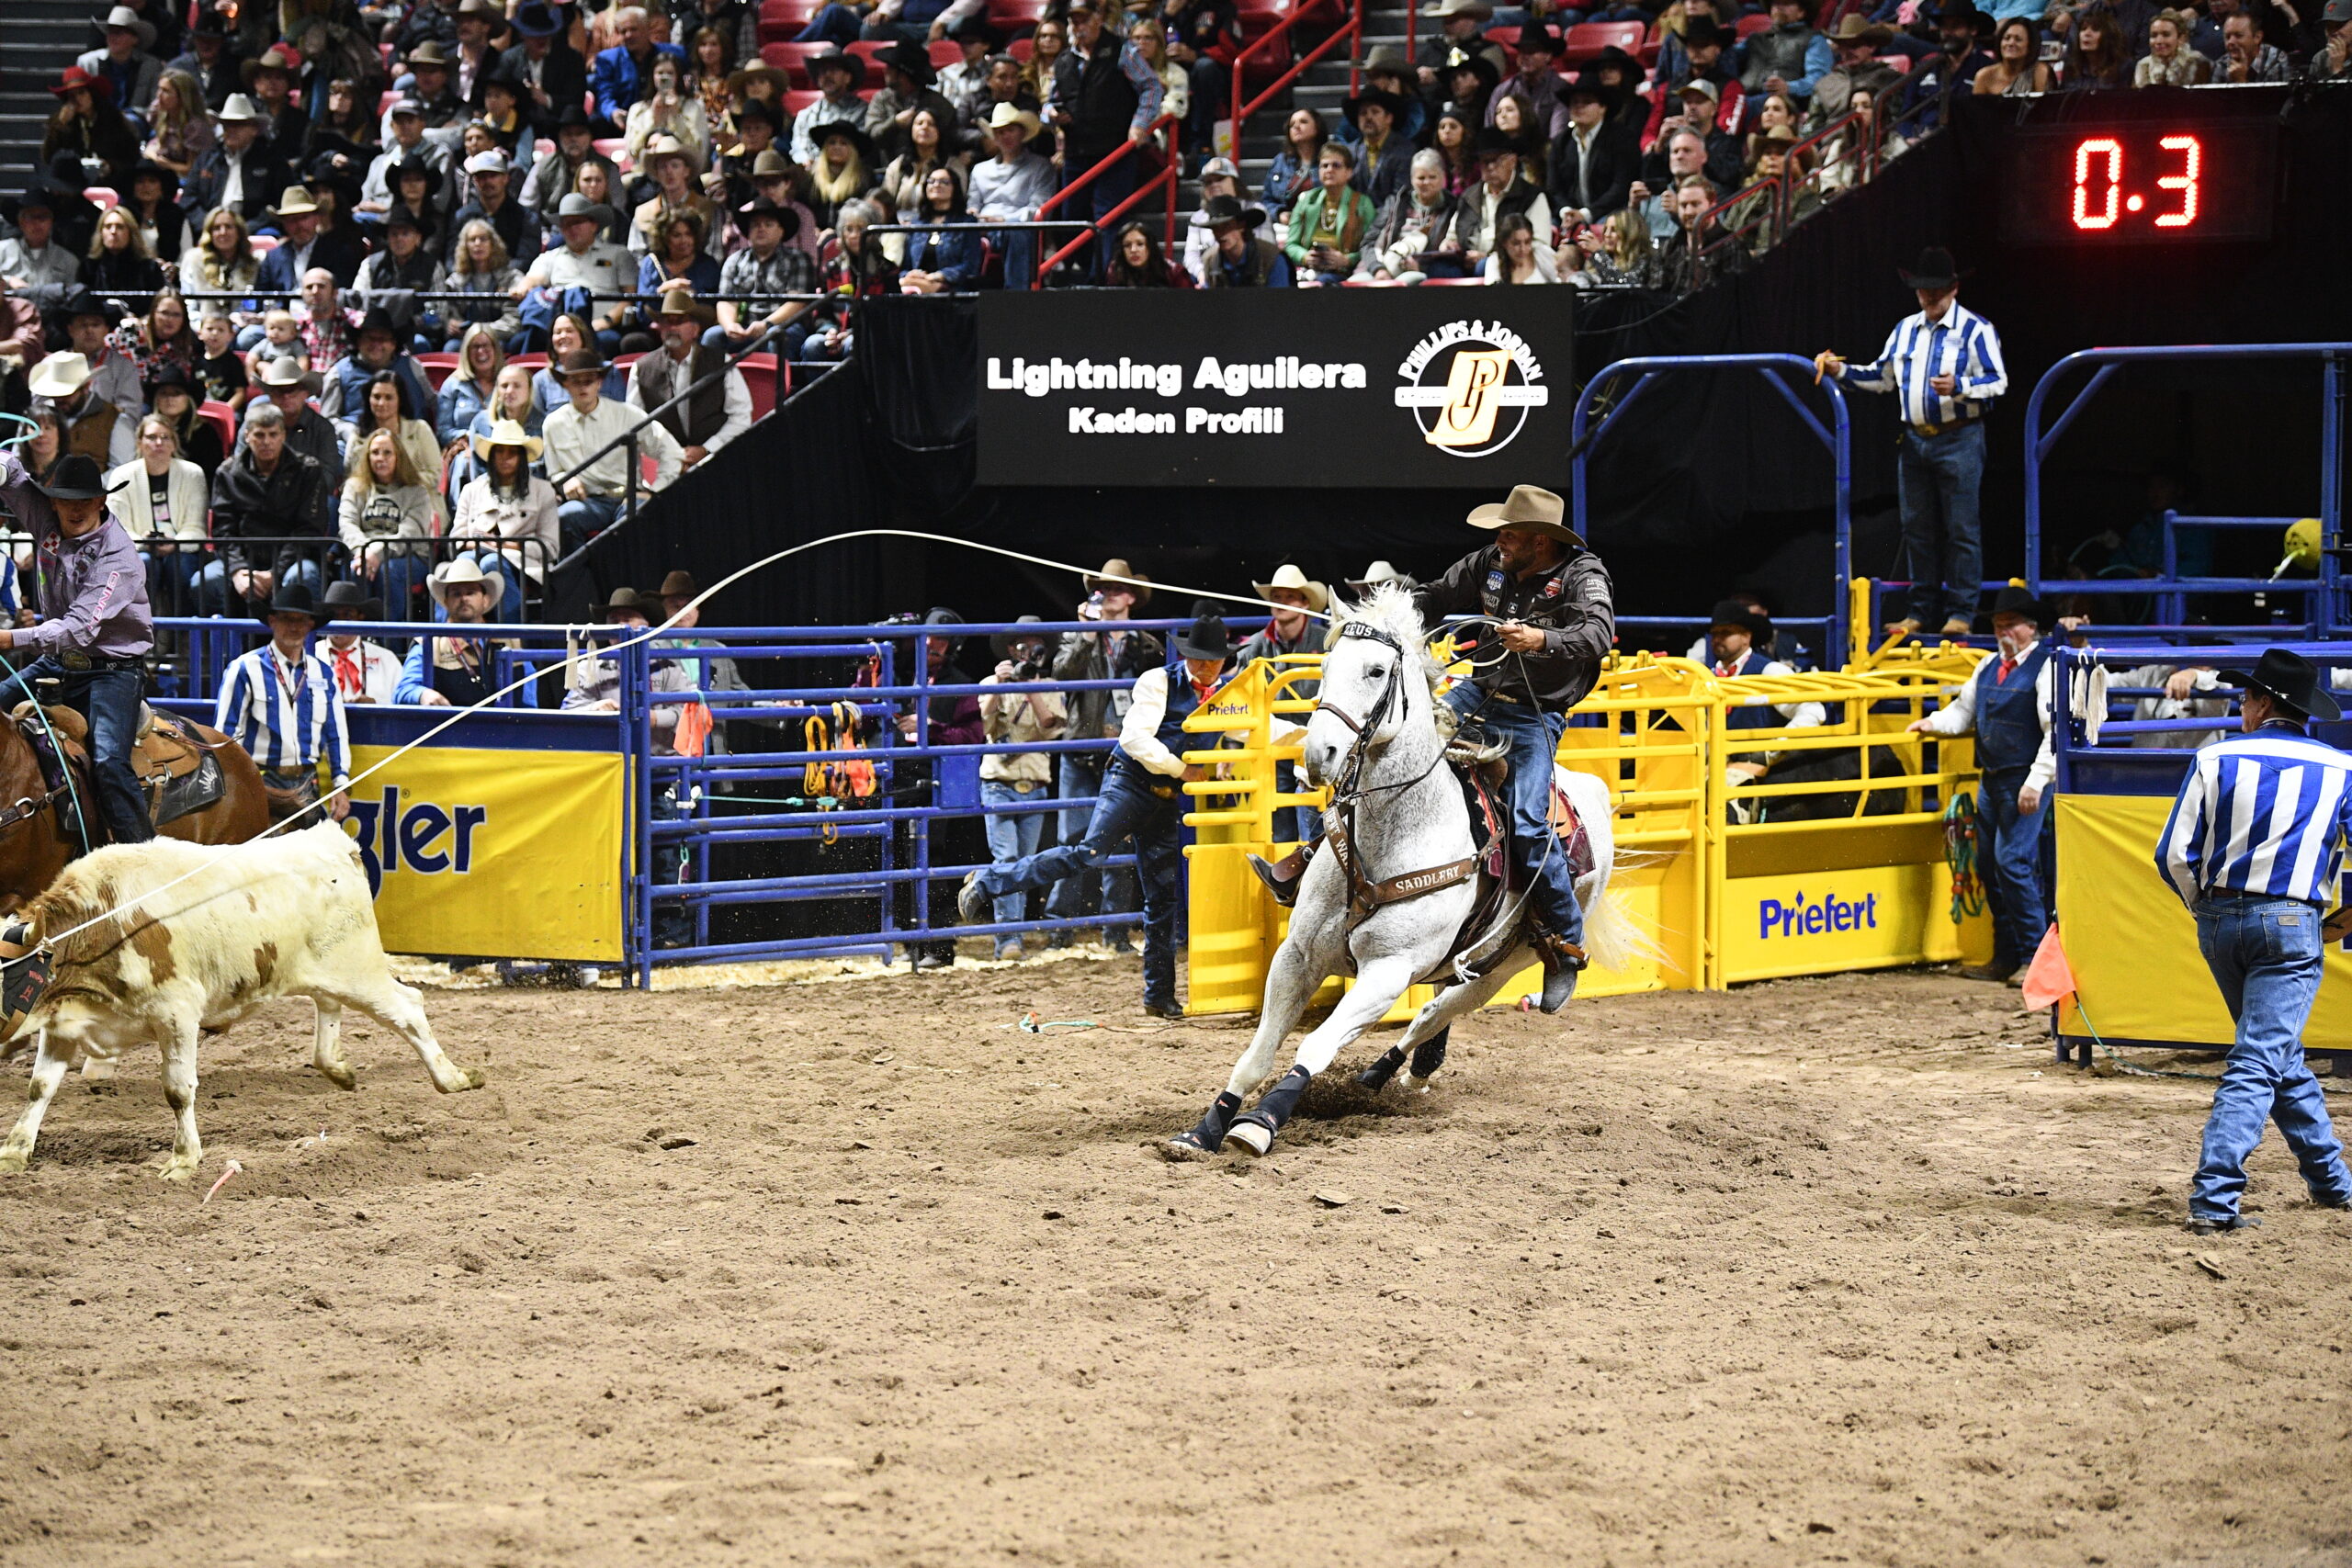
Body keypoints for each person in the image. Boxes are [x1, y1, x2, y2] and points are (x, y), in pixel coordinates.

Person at [1317, 485, 1607, 1013]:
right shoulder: (1489, 563)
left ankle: (1565, 944)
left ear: (1541, 542)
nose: (1500, 541)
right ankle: (1312, 865)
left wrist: (1541, 640)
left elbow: (1596, 635)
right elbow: (1434, 597)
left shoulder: (1583, 576)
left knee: (1528, 822)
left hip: (1535, 713)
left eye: (1510, 534)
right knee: (1389, 754)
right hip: (1478, 692)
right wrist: (1385, 622)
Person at [2154, 648, 2352, 1235]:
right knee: (2262, 1057)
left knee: (2275, 1055)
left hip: (2220, 921)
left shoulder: (2213, 757)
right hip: (2292, 921)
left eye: (2245, 697)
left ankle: (2333, 1184)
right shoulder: (2342, 768)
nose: (2241, 706)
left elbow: (2173, 855)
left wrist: (2203, 908)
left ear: (2263, 703)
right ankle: (2214, 1199)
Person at [960, 608, 1236, 1015]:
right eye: (1198, 658)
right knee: (1089, 853)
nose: (1205, 666)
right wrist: (1184, 770)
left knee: (1161, 896)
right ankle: (990, 880)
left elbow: (1253, 729)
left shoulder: (1226, 697)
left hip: (1164, 795)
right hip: (1131, 781)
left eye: (1211, 660)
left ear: (1224, 660)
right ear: (1186, 655)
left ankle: (1159, 996)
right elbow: (1136, 740)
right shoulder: (1158, 681)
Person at [1816, 248, 2006, 640]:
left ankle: (1961, 612)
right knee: (1917, 528)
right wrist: (1840, 371)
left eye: (1936, 289)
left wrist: (1960, 386)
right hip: (1916, 440)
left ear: (1953, 289)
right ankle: (1920, 611)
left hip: (1960, 437)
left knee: (1961, 529)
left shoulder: (1976, 330)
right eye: (1923, 289)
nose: (1929, 296)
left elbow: (1998, 381)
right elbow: (1881, 377)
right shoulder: (1905, 330)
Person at [0, 450, 156, 844]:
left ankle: (143, 855)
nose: (75, 509)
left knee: (109, 762)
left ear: (101, 501)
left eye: (85, 500)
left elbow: (79, 628)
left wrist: (9, 638)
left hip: (113, 671)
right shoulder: (47, 521)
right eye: (66, 500)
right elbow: (13, 475)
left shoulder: (118, 556)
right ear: (53, 501)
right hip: (58, 663)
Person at [1905, 585, 2056, 985]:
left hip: (2024, 778)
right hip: (1993, 778)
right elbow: (1963, 711)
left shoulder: (2047, 668)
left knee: (2012, 862)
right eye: (1999, 625)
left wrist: (2037, 780)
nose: (2003, 632)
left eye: (2011, 624)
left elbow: (2054, 732)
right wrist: (1933, 723)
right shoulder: (1988, 665)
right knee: (1989, 864)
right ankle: (2005, 954)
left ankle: (2034, 957)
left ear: (2031, 627)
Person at [1046, 558, 1160, 948]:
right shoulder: (1079, 635)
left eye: (1115, 589)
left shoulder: (1146, 644)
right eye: (1102, 589)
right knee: (1072, 836)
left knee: (1121, 838)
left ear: (1130, 598)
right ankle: (1060, 928)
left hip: (1124, 750)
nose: (1107, 595)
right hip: (1083, 748)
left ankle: (1115, 930)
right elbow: (1062, 675)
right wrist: (1087, 634)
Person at [215, 582, 353, 824]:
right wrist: (235, 783)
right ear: (272, 621)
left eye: (301, 620)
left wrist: (341, 783)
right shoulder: (244, 668)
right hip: (261, 779)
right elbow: (225, 734)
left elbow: (336, 733)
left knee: (310, 845)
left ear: (310, 625)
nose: (294, 627)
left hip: (307, 781)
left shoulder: (323, 673)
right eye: (287, 619)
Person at [1046, 0, 1163, 275]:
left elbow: (1151, 86)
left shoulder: (1123, 50)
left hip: (1115, 150)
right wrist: (1051, 114)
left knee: (1108, 217)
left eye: (1084, 20)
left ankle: (1103, 278)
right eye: (1074, 21)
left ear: (1098, 18)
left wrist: (1139, 125)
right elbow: (1051, 100)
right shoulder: (1064, 60)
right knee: (1072, 217)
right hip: (1076, 151)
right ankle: (1090, 270)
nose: (1079, 26)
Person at [977, 616, 1069, 959]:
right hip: (998, 782)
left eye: (1035, 646)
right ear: (1011, 650)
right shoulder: (992, 682)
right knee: (1008, 859)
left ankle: (1012, 935)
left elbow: (1050, 727)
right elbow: (983, 724)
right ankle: (1009, 940)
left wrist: (1032, 690)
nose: (1028, 652)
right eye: (1022, 646)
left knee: (1024, 864)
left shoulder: (1051, 686)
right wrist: (1001, 686)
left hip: (1035, 782)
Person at [542, 347, 685, 549]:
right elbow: (554, 472)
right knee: (564, 517)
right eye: (576, 381)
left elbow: (671, 451)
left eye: (589, 380)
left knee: (636, 514)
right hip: (588, 501)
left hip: (630, 496)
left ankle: (630, 570)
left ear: (599, 382)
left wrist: (654, 491)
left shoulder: (628, 414)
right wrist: (565, 481)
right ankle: (581, 571)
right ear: (565, 384)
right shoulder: (553, 424)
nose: (583, 387)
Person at [210, 401, 332, 612]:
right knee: (206, 581)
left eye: (273, 434)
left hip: (293, 559)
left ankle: (301, 634)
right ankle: (219, 635)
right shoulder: (227, 473)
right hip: (243, 558)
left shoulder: (308, 470)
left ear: (283, 435)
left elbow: (309, 530)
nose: (266, 442)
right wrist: (238, 571)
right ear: (247, 436)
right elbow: (222, 530)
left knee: (302, 576)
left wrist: (275, 572)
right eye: (259, 435)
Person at [1238, 564, 1327, 846]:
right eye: (1277, 597)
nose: (1282, 602)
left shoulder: (1326, 643)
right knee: (1278, 825)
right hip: (1271, 746)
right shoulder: (1253, 647)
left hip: (1314, 743)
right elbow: (1240, 699)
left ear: (1305, 603)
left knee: (1315, 822)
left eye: (1290, 597)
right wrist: (1232, 748)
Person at [450, 419, 559, 617]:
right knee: (462, 564)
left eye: (512, 452)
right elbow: (457, 538)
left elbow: (550, 547)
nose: (505, 458)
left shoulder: (543, 491)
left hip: (524, 565)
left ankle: (511, 630)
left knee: (492, 563)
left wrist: (507, 545)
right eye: (499, 451)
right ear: (491, 456)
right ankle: (450, 633)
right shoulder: (471, 490)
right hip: (476, 554)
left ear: (522, 457)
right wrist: (483, 543)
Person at [106, 411, 209, 616]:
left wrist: (175, 542)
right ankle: (141, 629)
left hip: (182, 548)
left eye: (165, 437)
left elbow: (196, 526)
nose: (159, 443)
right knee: (143, 563)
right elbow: (116, 527)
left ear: (174, 444)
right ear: (139, 443)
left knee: (178, 564)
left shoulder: (193, 473)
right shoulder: (121, 475)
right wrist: (144, 541)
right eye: (151, 437)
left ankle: (183, 630)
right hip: (138, 548)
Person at [630, 294, 750, 467]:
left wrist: (707, 449)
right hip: (663, 463)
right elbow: (636, 422)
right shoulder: (642, 367)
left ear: (695, 329)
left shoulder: (721, 362)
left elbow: (741, 416)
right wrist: (669, 453)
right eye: (667, 321)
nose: (672, 327)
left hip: (717, 460)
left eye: (679, 321)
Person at [338, 426, 436, 621]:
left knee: (388, 571)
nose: (380, 458)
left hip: (409, 555)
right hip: (362, 553)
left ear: (399, 456)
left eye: (387, 453)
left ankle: (390, 635)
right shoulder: (355, 487)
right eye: (375, 452)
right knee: (356, 569)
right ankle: (357, 634)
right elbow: (347, 523)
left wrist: (377, 553)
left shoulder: (417, 491)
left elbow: (410, 532)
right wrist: (363, 552)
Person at [399, 558, 516, 703]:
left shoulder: (511, 642)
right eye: (456, 594)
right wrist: (422, 694)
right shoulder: (428, 644)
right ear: (446, 602)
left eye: (470, 592)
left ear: (485, 600)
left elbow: (528, 697)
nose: (464, 598)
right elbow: (404, 690)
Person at [709, 200, 817, 353]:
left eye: (768, 224)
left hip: (784, 326)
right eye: (755, 225)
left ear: (781, 231)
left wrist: (767, 324)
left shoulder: (797, 259)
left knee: (776, 335)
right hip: (745, 328)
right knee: (712, 336)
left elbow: (797, 303)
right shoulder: (735, 260)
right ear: (748, 232)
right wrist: (730, 326)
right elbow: (726, 301)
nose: (761, 228)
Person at [969, 103, 1055, 288]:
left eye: (1010, 130)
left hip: (1019, 227)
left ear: (1022, 133)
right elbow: (973, 204)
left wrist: (1004, 220)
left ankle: (1017, 295)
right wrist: (974, 215)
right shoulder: (979, 170)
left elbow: (1040, 209)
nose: (1005, 136)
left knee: (1017, 231)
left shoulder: (1041, 166)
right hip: (983, 227)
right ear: (994, 137)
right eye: (1000, 132)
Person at [1284, 141, 1378, 286]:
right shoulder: (1306, 200)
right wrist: (1305, 256)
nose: (1329, 170)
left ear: (1349, 172)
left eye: (1336, 165)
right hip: (1308, 271)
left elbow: (1371, 247)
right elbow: (1291, 244)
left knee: (1322, 283)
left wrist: (1347, 260)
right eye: (1324, 166)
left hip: (1343, 273)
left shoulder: (1363, 204)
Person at [28, 353, 136, 469]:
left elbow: (122, 468)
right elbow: (20, 456)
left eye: (67, 394)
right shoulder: (40, 414)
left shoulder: (114, 418)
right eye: (55, 394)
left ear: (86, 387)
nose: (60, 399)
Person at [593, 6, 688, 131]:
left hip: (669, 118)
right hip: (624, 123)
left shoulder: (675, 54)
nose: (628, 35)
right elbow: (604, 95)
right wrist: (613, 112)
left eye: (633, 29)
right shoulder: (608, 59)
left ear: (647, 29)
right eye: (623, 31)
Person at [1199, 193, 1289, 287]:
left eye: (1227, 226)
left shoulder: (1271, 257)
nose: (1221, 234)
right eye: (1215, 228)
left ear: (1241, 226)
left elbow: (1280, 294)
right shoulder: (1210, 261)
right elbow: (1208, 294)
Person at [1975, 16, 2055, 93]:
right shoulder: (1985, 76)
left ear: (2030, 45)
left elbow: (2047, 102)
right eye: (2007, 38)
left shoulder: (2040, 72)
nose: (2011, 43)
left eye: (2018, 39)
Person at [2135, 7, 2214, 81]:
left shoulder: (2198, 63)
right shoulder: (2144, 66)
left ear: (2181, 38)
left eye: (2166, 35)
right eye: (2154, 35)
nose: (2158, 41)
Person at [2218, 11, 2293, 79]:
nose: (2230, 42)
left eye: (2238, 36)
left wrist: (2241, 81)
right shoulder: (2222, 64)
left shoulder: (2276, 62)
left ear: (2257, 37)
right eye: (2227, 37)